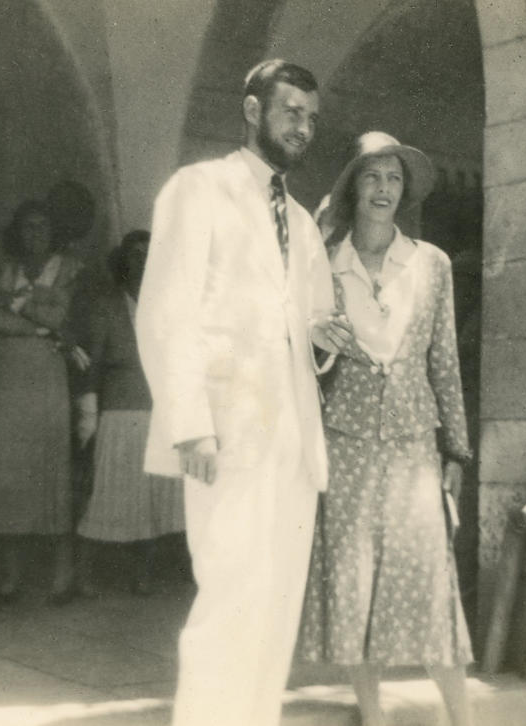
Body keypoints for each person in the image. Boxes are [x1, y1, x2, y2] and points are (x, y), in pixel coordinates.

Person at [136, 59, 352, 726]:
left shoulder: (301, 221)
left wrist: (325, 341)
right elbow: (165, 310)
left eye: (312, 118)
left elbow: (312, 325)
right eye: (292, 112)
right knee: (229, 597)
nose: (303, 128)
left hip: (292, 439)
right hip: (225, 430)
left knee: (275, 607)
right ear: (253, 111)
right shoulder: (197, 189)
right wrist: (189, 421)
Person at [297, 131, 475, 726]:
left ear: (405, 191)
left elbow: (444, 359)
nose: (383, 189)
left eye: (394, 178)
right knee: (354, 581)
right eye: (372, 176)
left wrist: (457, 448)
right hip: (343, 439)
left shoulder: (431, 264)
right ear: (353, 186)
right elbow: (296, 354)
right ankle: (372, 715)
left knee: (428, 579)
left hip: (413, 444)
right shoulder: (324, 262)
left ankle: (463, 717)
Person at [0, 200, 83, 605]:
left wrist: (22, 308)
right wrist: (40, 314)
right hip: (7, 375)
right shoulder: (6, 268)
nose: (34, 233)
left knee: (47, 466)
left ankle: (61, 576)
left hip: (44, 374)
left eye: (42, 226)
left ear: (52, 231)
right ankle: (11, 577)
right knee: (9, 470)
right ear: (17, 231)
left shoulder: (69, 268)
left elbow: (61, 319)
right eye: (27, 227)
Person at [74, 230, 185, 596]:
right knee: (108, 494)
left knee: (152, 498)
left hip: (160, 415)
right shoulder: (107, 307)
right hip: (120, 415)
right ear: (124, 262)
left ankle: (143, 574)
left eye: (149, 254)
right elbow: (90, 366)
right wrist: (88, 417)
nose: (142, 261)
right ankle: (84, 575)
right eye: (135, 255)